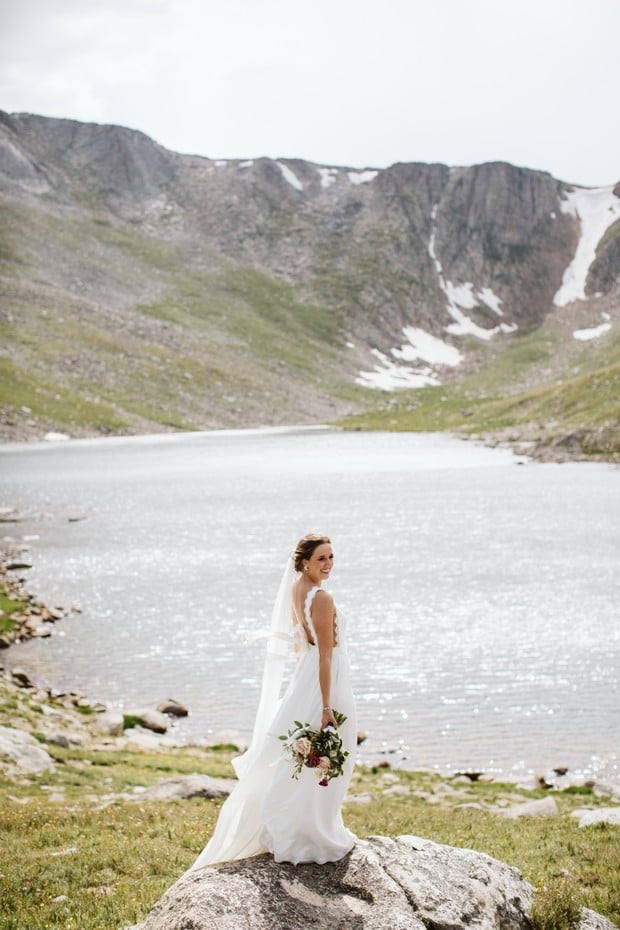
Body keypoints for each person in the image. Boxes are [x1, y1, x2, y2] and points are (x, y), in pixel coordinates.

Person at [189, 533, 357, 868]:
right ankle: (308, 831)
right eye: (321, 558)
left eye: (332, 557)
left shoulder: (297, 588)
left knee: (305, 756)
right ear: (304, 562)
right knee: (329, 753)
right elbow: (325, 655)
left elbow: (301, 643)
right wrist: (325, 706)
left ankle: (304, 824)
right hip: (327, 680)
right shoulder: (321, 597)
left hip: (307, 675)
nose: (328, 565)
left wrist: (302, 685)